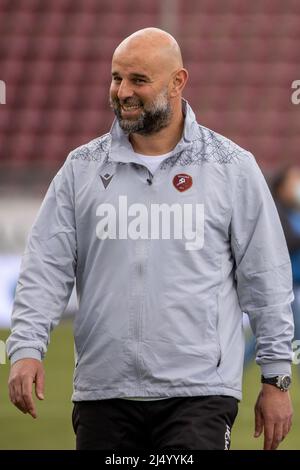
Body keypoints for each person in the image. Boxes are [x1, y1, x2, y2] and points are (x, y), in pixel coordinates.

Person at [7, 28, 294, 451]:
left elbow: (266, 277)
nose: (122, 91)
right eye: (115, 78)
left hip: (200, 393)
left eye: (138, 80)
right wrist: (27, 348)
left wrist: (276, 378)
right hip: (104, 393)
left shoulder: (232, 168)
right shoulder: (81, 169)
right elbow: (45, 268)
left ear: (178, 82)